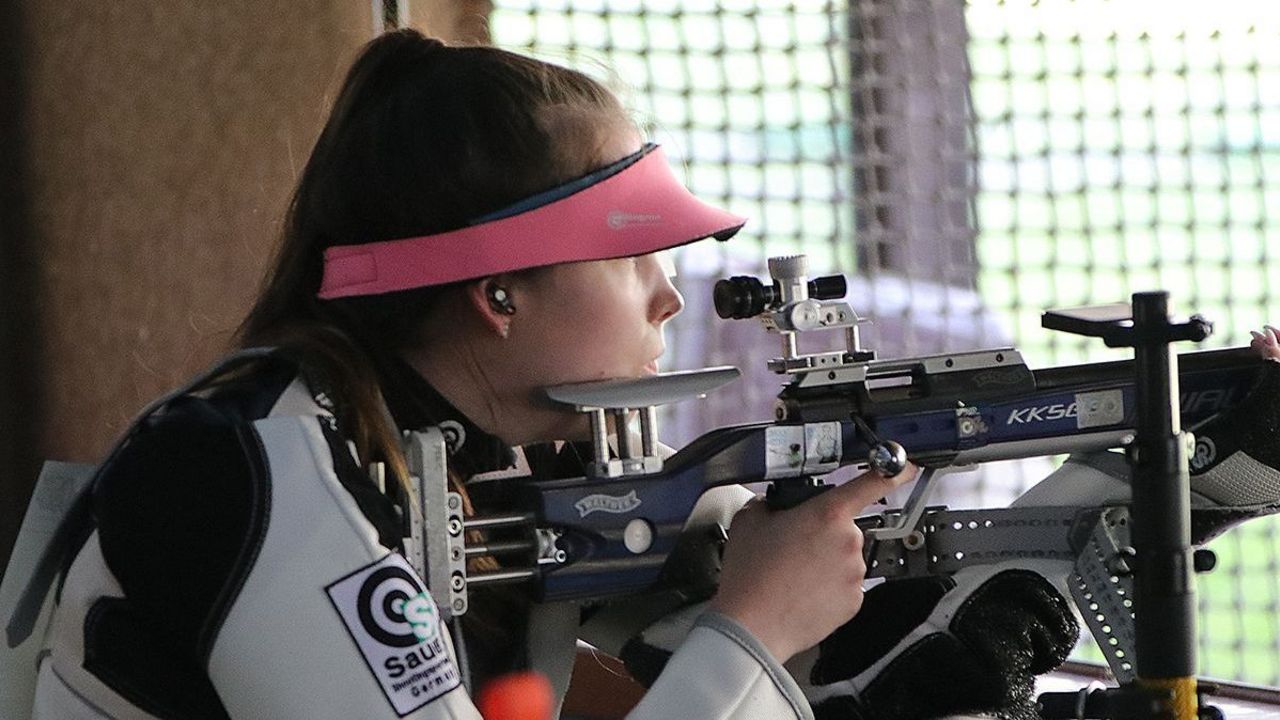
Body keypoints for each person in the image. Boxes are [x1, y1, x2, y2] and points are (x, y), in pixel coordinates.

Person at [16, 30, 1077, 720]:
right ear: (499, 292)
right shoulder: (256, 462)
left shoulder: (479, 453)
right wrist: (752, 628)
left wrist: (1150, 487)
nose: (668, 295)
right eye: (631, 257)